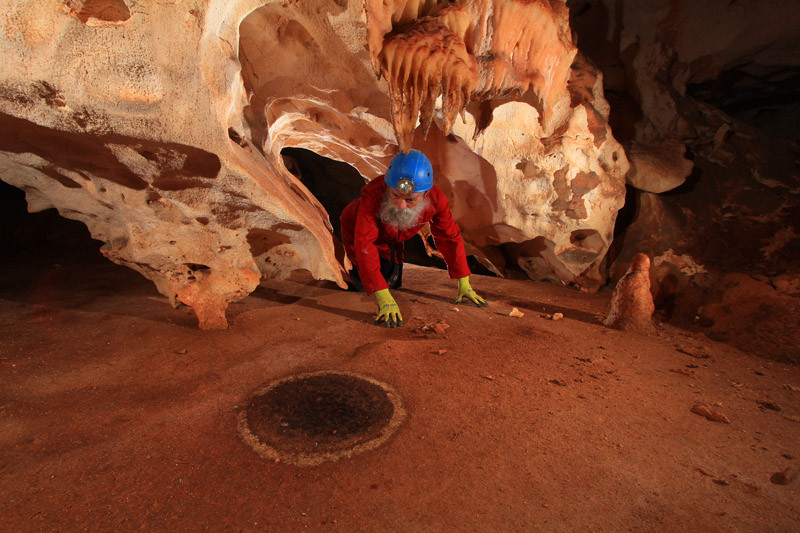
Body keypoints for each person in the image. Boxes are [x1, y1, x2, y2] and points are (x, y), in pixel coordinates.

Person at [340, 149, 488, 327]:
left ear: (425, 194)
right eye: (395, 195)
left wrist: (464, 282)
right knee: (363, 284)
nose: (402, 206)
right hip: (357, 230)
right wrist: (383, 297)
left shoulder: (437, 199)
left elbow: (449, 236)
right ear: (388, 187)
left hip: (393, 236)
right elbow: (364, 242)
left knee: (392, 282)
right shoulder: (373, 194)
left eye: (410, 199)